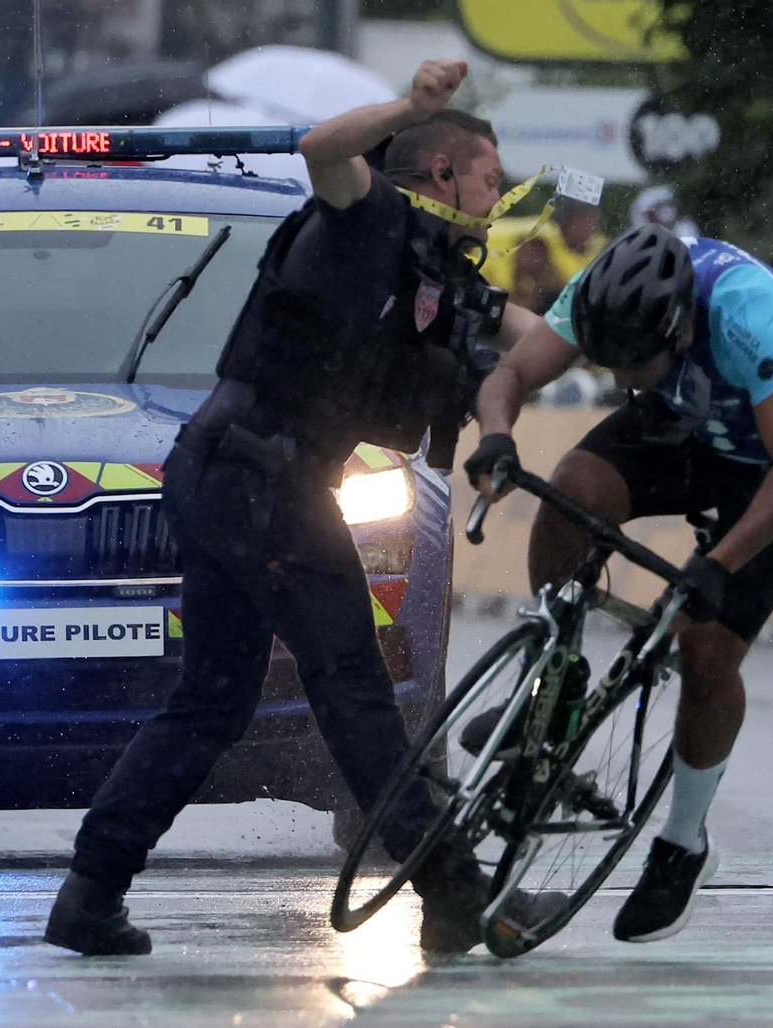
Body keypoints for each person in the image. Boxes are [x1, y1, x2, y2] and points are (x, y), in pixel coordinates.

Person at [45, 59, 557, 957]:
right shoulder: (367, 216)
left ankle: (90, 895)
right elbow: (323, 148)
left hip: (229, 478)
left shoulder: (438, 270)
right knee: (354, 690)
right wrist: (409, 106)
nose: (498, 198)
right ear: (443, 172)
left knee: (213, 700)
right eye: (489, 179)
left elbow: (535, 343)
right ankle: (454, 892)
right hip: (260, 481)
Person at [464, 225, 773, 941]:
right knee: (573, 488)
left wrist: (716, 565)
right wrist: (496, 435)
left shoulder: (746, 312)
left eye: (633, 365)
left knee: (707, 649)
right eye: (611, 364)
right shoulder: (606, 295)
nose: (621, 381)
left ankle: (684, 843)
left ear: (681, 327)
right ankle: (552, 681)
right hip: (692, 413)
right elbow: (511, 374)